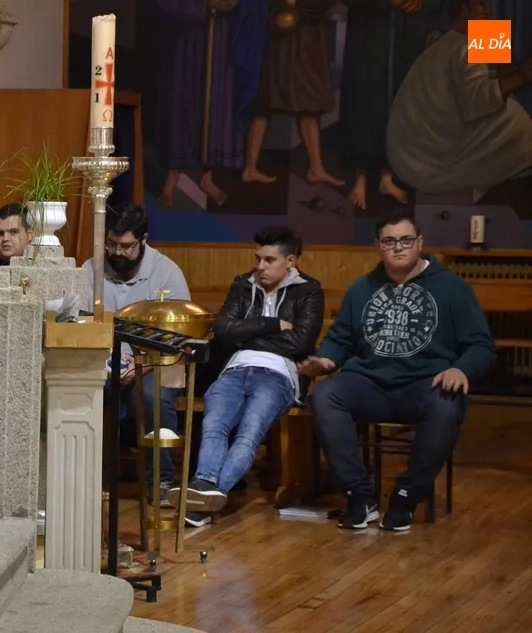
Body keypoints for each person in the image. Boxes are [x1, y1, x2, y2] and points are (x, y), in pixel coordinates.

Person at [301, 208, 496, 531]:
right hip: (369, 383)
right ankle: (358, 496)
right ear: (378, 246)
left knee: (447, 403)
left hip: (425, 385)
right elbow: (340, 339)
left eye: (406, 240)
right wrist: (326, 360)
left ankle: (406, 498)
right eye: (389, 241)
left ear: (419, 242)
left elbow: (481, 345)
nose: (398, 247)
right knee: (325, 395)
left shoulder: (452, 288)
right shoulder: (362, 288)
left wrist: (461, 369)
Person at [168, 226, 324, 527]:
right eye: (258, 258)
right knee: (213, 425)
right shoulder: (243, 284)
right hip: (235, 368)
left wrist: (246, 336)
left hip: (279, 374)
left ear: (290, 261)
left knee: (248, 434)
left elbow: (300, 343)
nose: (260, 266)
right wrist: (273, 324)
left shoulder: (309, 290)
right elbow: (223, 330)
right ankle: (204, 487)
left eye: (269, 260)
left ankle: (208, 495)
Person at [83, 201, 190, 504]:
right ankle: (84, 480)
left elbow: (180, 336)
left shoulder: (167, 273)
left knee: (153, 396)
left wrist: (140, 362)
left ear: (143, 240)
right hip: (102, 362)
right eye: (112, 244)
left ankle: (160, 482)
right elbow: (78, 321)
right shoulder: (90, 269)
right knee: (75, 389)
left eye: (126, 246)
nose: (117, 252)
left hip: (155, 363)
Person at [386, 0, 532, 193]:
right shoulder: (467, 36)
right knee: (497, 102)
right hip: (490, 19)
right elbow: (478, 89)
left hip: (507, 16)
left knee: (502, 94)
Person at [154, 0, 268, 207]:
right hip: (187, 35)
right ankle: (172, 177)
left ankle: (207, 177)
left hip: (221, 34)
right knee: (182, 101)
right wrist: (203, 7)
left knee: (216, 102)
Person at [339, 0, 446, 209]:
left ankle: (386, 175)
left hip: (413, 31)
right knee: (367, 98)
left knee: (400, 97)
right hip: (372, 31)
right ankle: (365, 175)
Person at [243, 0, 343, 186]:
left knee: (308, 103)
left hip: (307, 38)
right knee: (265, 101)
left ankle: (316, 168)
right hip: (283, 37)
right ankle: (250, 167)